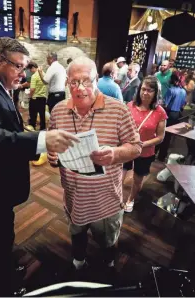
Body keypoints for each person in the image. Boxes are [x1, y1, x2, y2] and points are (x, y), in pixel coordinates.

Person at [0, 37, 78, 296]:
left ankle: (3, 270)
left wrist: (24, 135)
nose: (22, 74)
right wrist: (41, 139)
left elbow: (3, 128)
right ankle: (1, 287)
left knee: (3, 239)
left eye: (24, 68)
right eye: (18, 67)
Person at [47, 56, 142, 273]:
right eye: (73, 82)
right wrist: (53, 156)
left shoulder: (118, 110)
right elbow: (54, 144)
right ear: (67, 82)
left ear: (97, 79)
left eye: (86, 81)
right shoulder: (58, 111)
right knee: (77, 234)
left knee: (108, 241)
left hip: (105, 198)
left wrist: (115, 154)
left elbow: (136, 147)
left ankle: (108, 265)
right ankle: (78, 262)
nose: (80, 88)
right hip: (73, 195)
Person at [123, 76, 167, 212]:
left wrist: (142, 144)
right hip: (127, 148)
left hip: (145, 151)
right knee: (120, 175)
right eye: (143, 89)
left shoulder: (160, 112)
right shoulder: (130, 105)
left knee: (137, 178)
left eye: (149, 90)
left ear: (155, 93)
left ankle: (131, 199)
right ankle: (116, 197)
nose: (145, 93)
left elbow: (160, 138)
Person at [157, 71, 187, 162]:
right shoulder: (183, 91)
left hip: (168, 113)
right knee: (168, 137)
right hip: (176, 115)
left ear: (173, 79)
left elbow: (165, 104)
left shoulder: (171, 90)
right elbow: (182, 105)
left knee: (161, 134)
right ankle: (162, 156)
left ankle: (155, 153)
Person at [29, 61, 47, 130]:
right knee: (42, 115)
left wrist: (30, 96)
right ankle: (43, 130)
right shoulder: (44, 74)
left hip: (35, 98)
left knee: (33, 115)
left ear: (33, 68)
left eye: (30, 69)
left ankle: (32, 129)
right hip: (43, 98)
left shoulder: (34, 76)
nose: (30, 71)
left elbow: (32, 89)